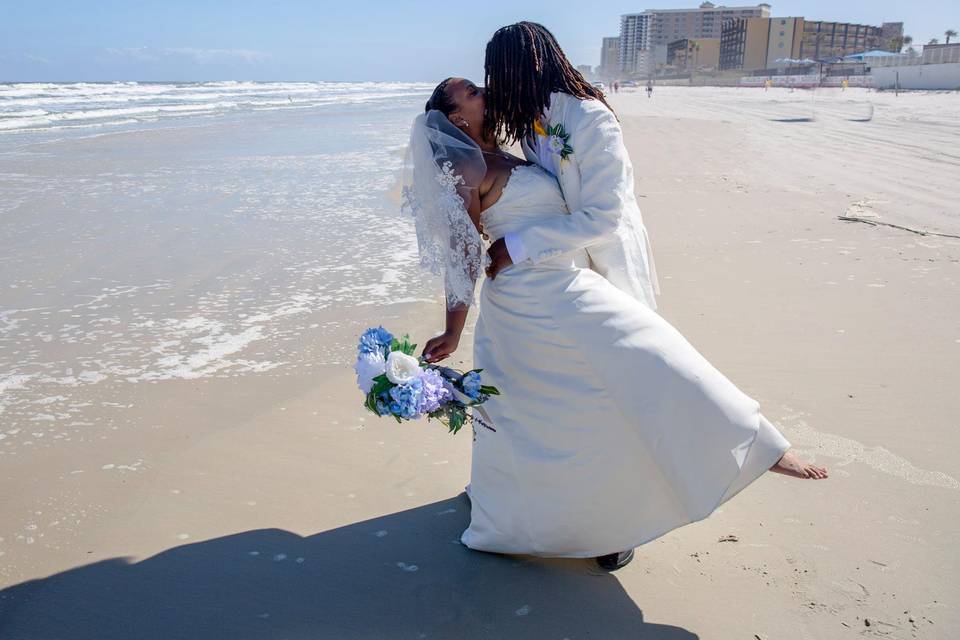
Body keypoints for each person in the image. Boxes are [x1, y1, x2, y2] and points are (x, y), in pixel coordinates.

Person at [408, 27, 826, 575]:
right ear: (457, 119)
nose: (487, 88)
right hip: (534, 294)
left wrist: (517, 243)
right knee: (540, 411)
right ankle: (544, 513)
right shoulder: (495, 152)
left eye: (489, 78)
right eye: (475, 90)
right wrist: (456, 327)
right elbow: (464, 251)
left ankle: (748, 446)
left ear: (522, 66)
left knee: (624, 375)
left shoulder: (576, 121)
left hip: (580, 272)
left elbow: (602, 215)